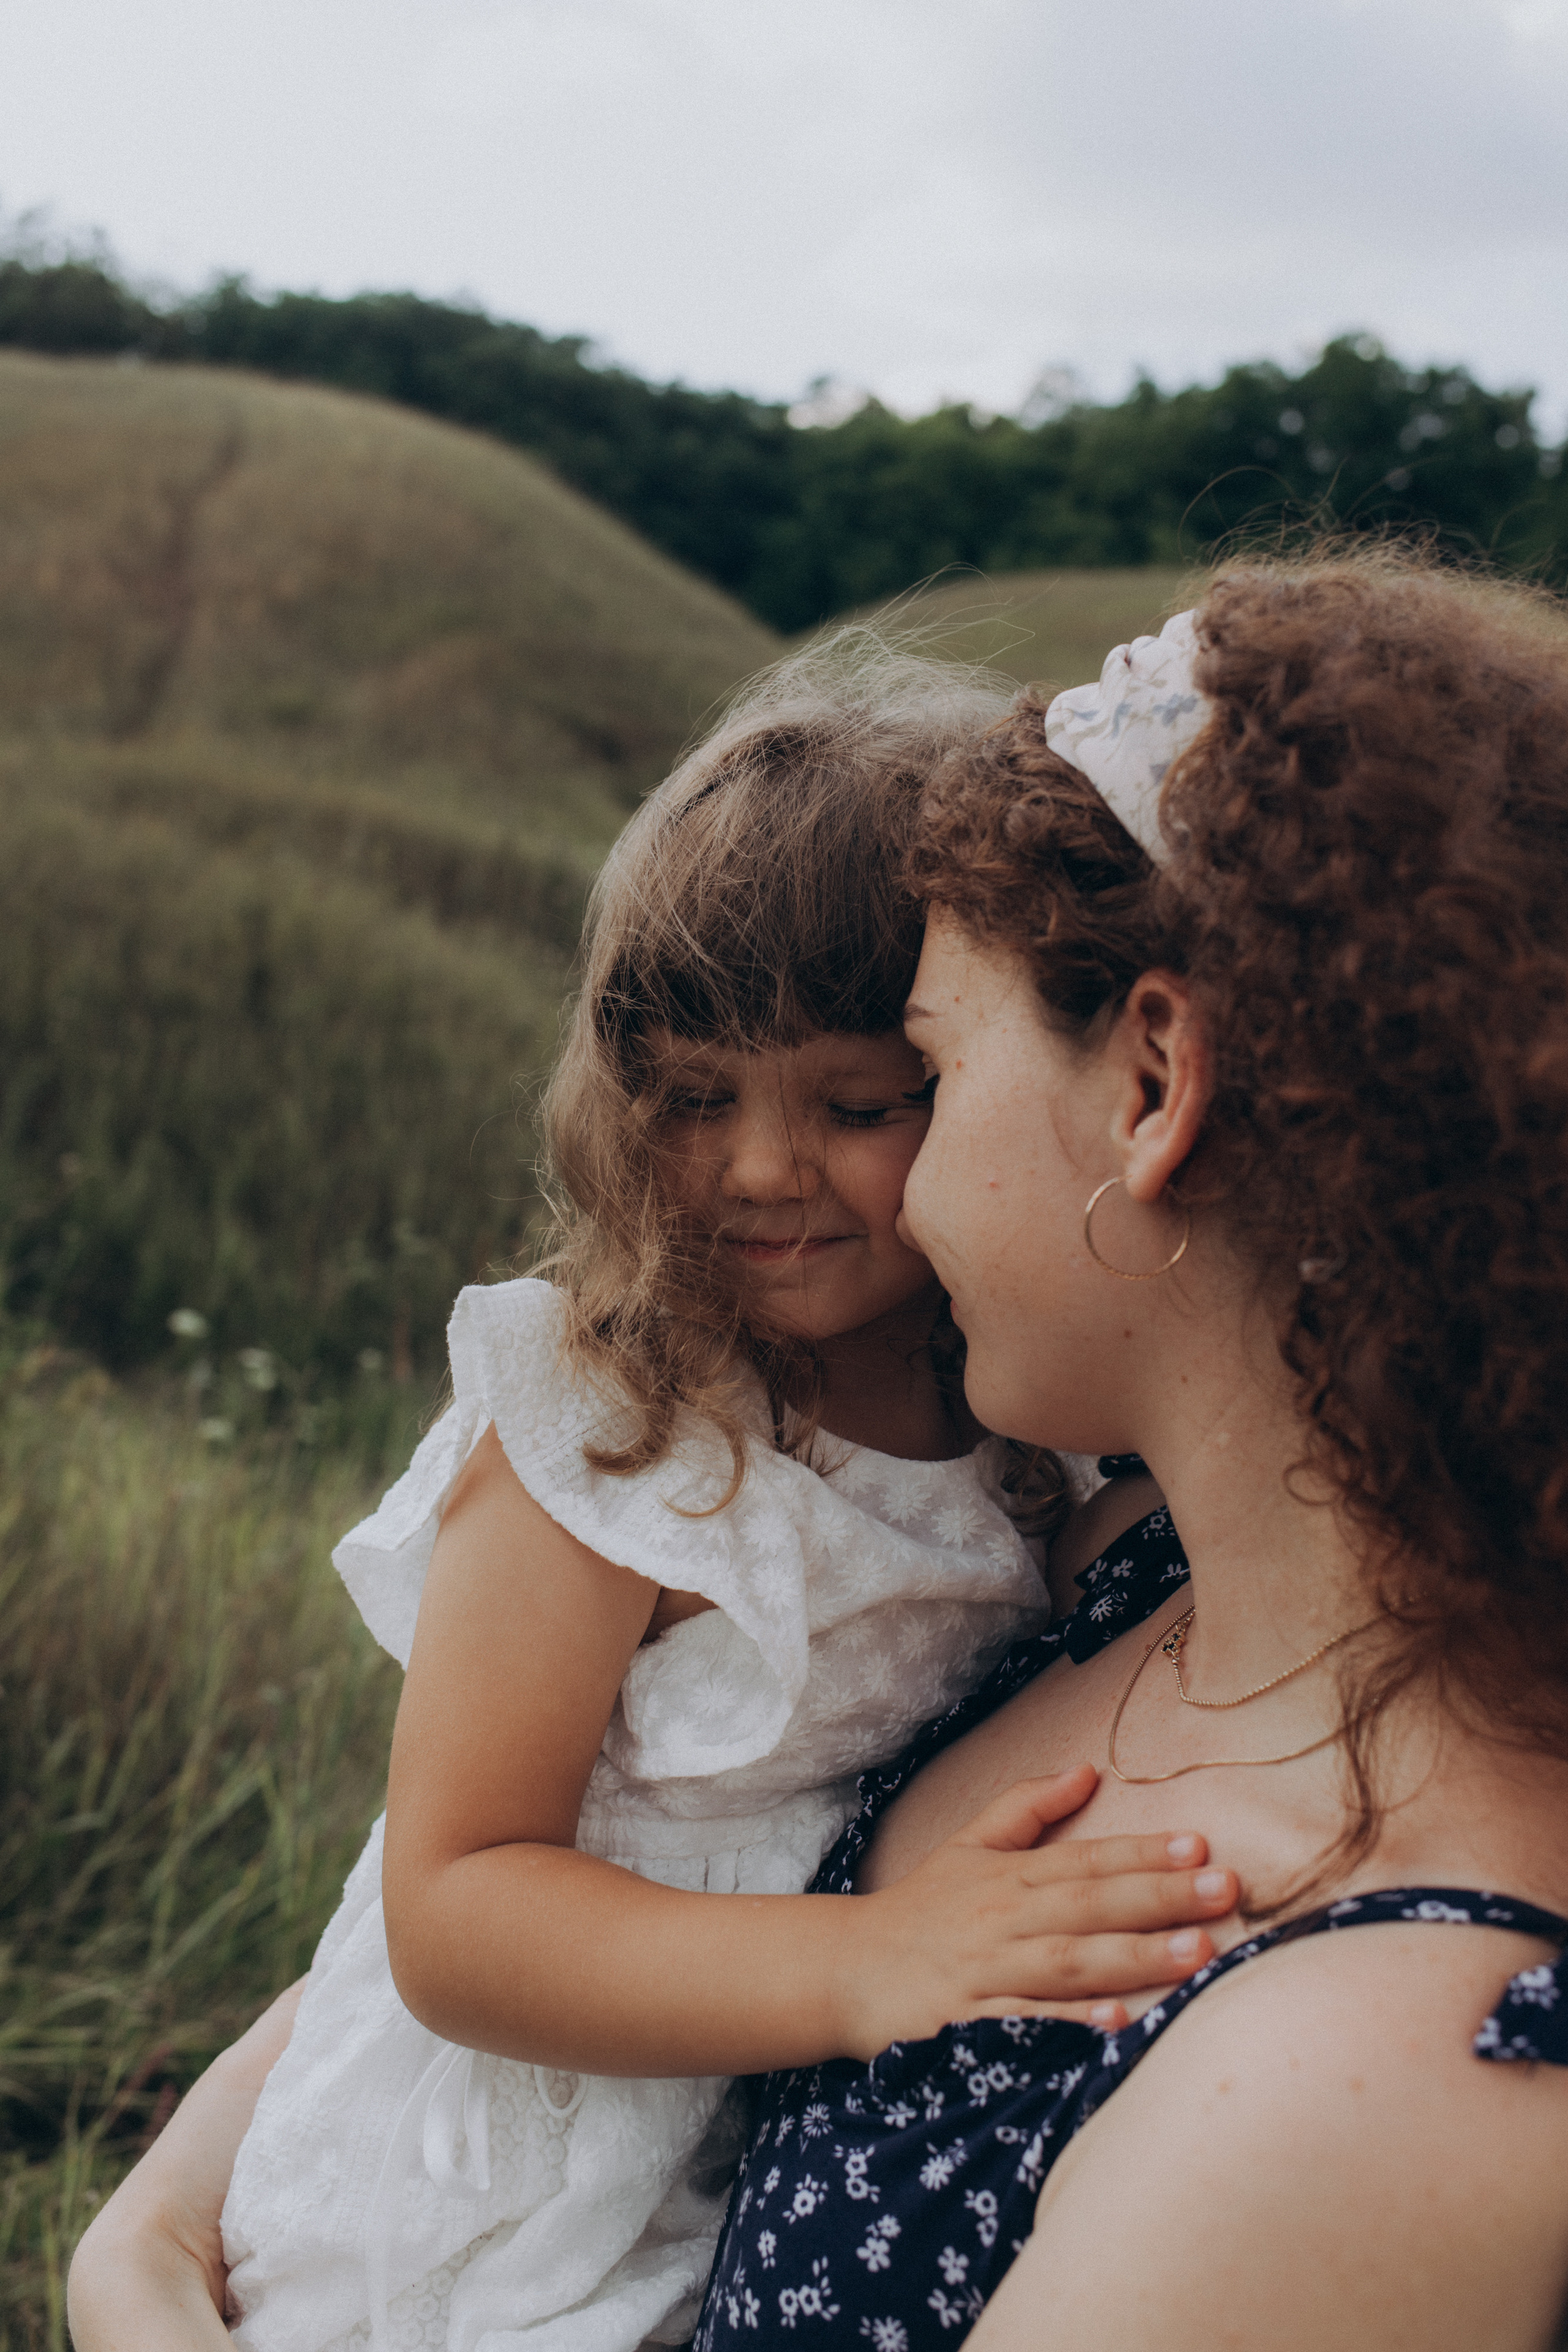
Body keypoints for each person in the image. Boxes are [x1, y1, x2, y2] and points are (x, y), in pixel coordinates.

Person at [68, 639, 1237, 2352]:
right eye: (694, 1099)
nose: (761, 1169)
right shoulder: (621, 1428)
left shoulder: (1024, 1419)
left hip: (719, 2158)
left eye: (857, 1102)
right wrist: (873, 1965)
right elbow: (457, 1903)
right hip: (492, 2188)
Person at [693, 552, 1568, 2351]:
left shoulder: (1370, 2078)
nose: (904, 1194)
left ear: (1156, 1081)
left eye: (933, 1073)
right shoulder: (1123, 1563)